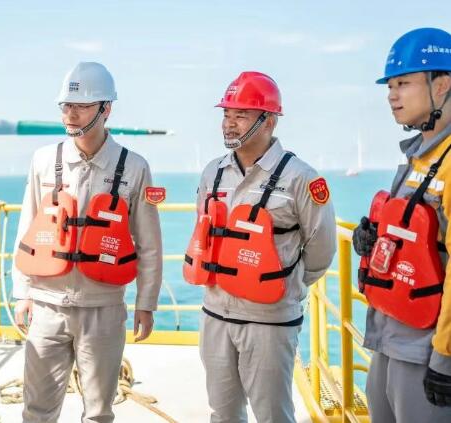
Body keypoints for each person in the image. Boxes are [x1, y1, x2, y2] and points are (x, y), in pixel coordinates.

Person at [11, 61, 163, 423]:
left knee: (98, 412)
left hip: (104, 308)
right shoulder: (44, 161)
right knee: (36, 410)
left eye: (80, 106)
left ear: (106, 109)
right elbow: (27, 226)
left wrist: (146, 303)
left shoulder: (134, 167)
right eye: (66, 105)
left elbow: (149, 244)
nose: (70, 114)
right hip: (47, 304)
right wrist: (22, 293)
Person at [184, 71, 336, 422]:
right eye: (226, 114)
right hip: (215, 314)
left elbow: (321, 249)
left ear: (269, 120)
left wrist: (280, 286)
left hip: (269, 320)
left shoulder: (301, 178)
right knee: (222, 412)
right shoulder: (212, 173)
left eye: (240, 115)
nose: (229, 123)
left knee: (272, 414)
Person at [352, 27, 451, 421]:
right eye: (390, 86)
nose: (392, 95)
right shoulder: (420, 157)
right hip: (391, 336)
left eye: (404, 83)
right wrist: (373, 240)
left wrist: (445, 359)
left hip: (428, 348)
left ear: (441, 85)